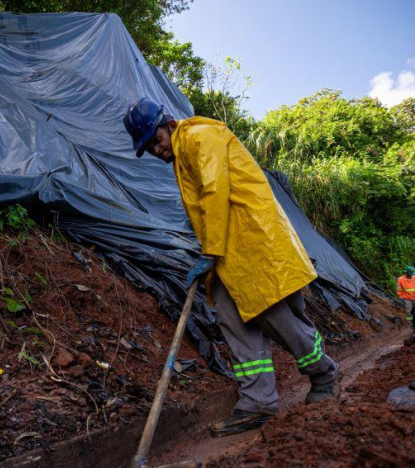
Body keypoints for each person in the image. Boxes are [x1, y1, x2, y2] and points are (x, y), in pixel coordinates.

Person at [124, 98, 340, 437]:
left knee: (273, 315)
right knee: (229, 315)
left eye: (156, 139)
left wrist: (208, 252)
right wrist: (211, 252)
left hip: (251, 241)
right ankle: (258, 402)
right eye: (148, 146)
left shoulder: (199, 138)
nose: (155, 149)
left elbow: (214, 192)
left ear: (169, 124)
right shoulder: (180, 156)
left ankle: (324, 374)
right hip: (226, 249)